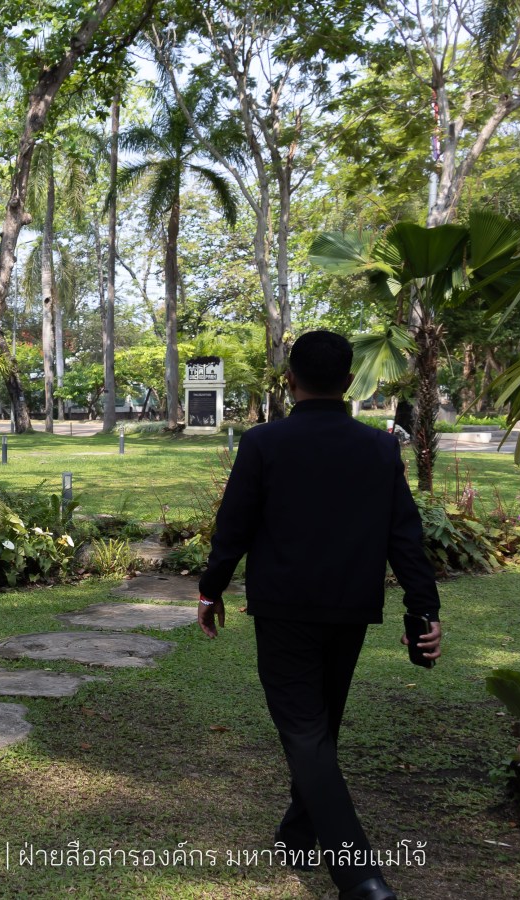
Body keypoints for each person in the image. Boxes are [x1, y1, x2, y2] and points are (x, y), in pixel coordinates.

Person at [197, 330, 442, 900]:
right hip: (350, 608)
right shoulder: (380, 448)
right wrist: (422, 606)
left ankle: (360, 877)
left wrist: (211, 591)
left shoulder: (263, 443)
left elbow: (232, 528)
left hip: (284, 608)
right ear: (349, 379)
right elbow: (405, 535)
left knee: (307, 731)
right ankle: (299, 831)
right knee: (320, 724)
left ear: (291, 380)